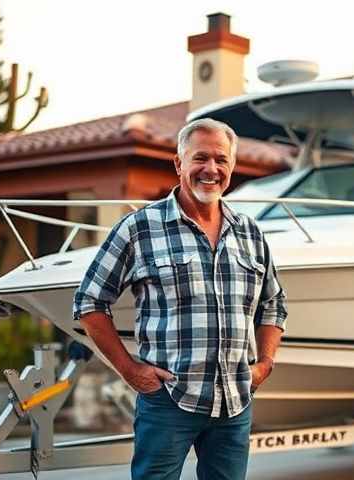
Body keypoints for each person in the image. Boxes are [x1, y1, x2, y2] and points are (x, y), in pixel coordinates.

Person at [73, 118, 287, 480]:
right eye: (200, 158)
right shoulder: (139, 227)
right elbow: (90, 301)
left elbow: (273, 304)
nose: (211, 169)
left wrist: (264, 364)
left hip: (234, 402)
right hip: (168, 400)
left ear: (231, 168)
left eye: (221, 160)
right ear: (179, 164)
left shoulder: (250, 232)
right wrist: (129, 370)